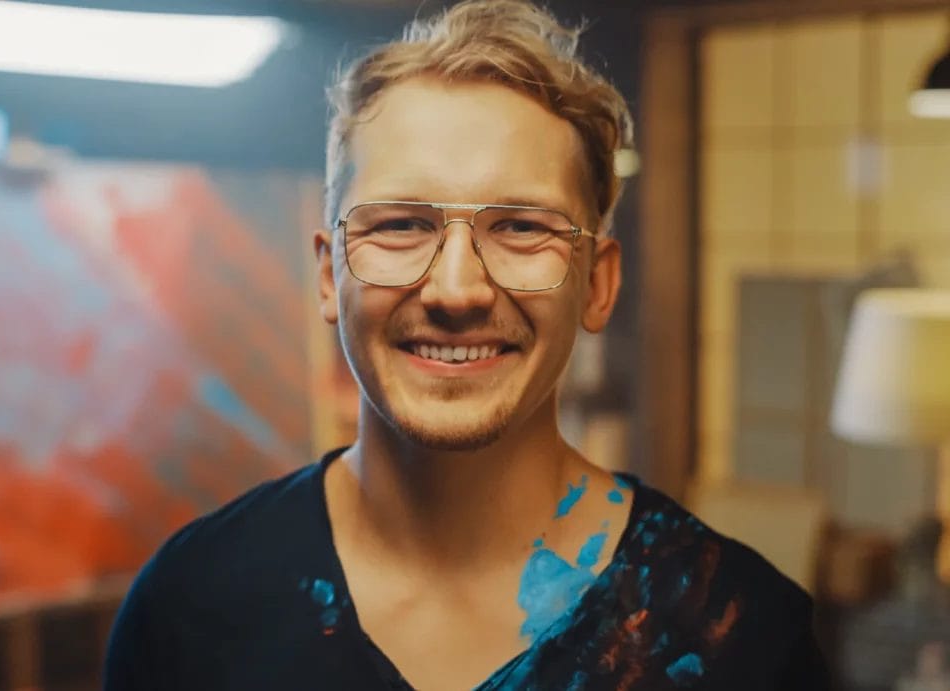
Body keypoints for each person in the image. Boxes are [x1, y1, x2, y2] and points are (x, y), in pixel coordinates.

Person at [103, 1, 831, 689]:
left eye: (522, 227)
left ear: (598, 284)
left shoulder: (737, 635)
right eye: (399, 225)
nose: (457, 290)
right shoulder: (193, 607)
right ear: (328, 275)